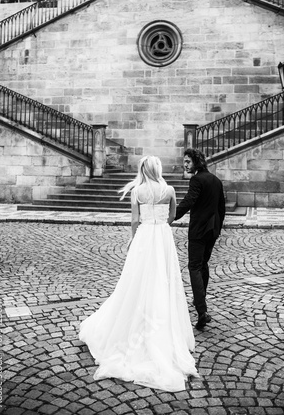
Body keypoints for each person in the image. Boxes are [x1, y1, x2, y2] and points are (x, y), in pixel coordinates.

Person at [79, 155, 199, 392]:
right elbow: (173, 216)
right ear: (159, 169)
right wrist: (161, 223)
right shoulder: (170, 190)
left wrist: (133, 239)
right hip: (162, 236)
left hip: (145, 236)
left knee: (137, 280)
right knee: (164, 280)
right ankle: (164, 326)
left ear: (143, 169)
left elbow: (134, 220)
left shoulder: (137, 191)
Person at [174, 148, 225, 330]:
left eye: (187, 162)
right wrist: (217, 229)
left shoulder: (196, 180)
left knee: (194, 267)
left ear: (196, 162)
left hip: (198, 231)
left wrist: (172, 216)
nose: (185, 165)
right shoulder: (216, 180)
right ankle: (201, 304)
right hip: (212, 230)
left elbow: (189, 201)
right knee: (203, 265)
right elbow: (222, 209)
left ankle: (201, 311)